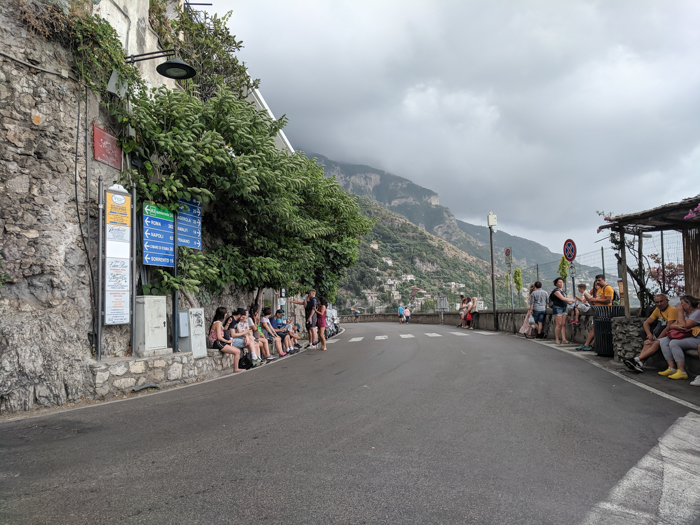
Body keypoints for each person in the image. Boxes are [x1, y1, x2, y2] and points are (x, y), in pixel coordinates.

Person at [622, 294, 678, 373]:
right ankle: (640, 364)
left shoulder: (672, 310)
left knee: (656, 343)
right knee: (647, 342)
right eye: (657, 302)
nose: (659, 304)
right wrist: (649, 334)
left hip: (670, 335)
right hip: (659, 335)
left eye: (661, 301)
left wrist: (657, 339)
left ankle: (636, 359)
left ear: (667, 301)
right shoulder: (658, 310)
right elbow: (646, 323)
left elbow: (668, 328)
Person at [657, 295, 700, 381]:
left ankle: (682, 371)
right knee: (664, 341)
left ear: (688, 304)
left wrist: (680, 313)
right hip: (687, 336)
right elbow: (673, 325)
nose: (680, 305)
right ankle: (672, 367)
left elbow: (684, 325)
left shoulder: (697, 313)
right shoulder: (685, 313)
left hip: (697, 339)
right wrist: (676, 326)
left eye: (682, 303)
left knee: (674, 343)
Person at [575, 275, 614, 351]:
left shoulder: (608, 288)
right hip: (598, 311)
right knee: (594, 328)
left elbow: (608, 300)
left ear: (604, 280)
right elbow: (599, 299)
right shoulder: (600, 289)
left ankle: (588, 344)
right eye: (596, 281)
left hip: (605, 312)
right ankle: (590, 344)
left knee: (596, 328)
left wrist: (595, 300)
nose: (598, 282)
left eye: (599, 280)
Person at [207, 307, 244, 372]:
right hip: (218, 343)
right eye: (225, 313)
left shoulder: (218, 323)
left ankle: (236, 368)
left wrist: (228, 323)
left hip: (220, 342)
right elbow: (219, 337)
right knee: (237, 351)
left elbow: (223, 330)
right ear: (223, 314)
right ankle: (236, 369)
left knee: (237, 351)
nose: (226, 314)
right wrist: (227, 341)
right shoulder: (217, 323)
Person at [551, 277, 576, 344]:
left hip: (564, 307)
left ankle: (564, 339)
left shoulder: (563, 291)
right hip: (558, 308)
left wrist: (573, 304)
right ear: (556, 283)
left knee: (563, 324)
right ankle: (557, 339)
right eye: (559, 282)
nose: (561, 283)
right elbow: (563, 298)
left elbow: (566, 300)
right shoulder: (556, 291)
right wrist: (573, 300)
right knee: (559, 324)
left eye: (562, 282)